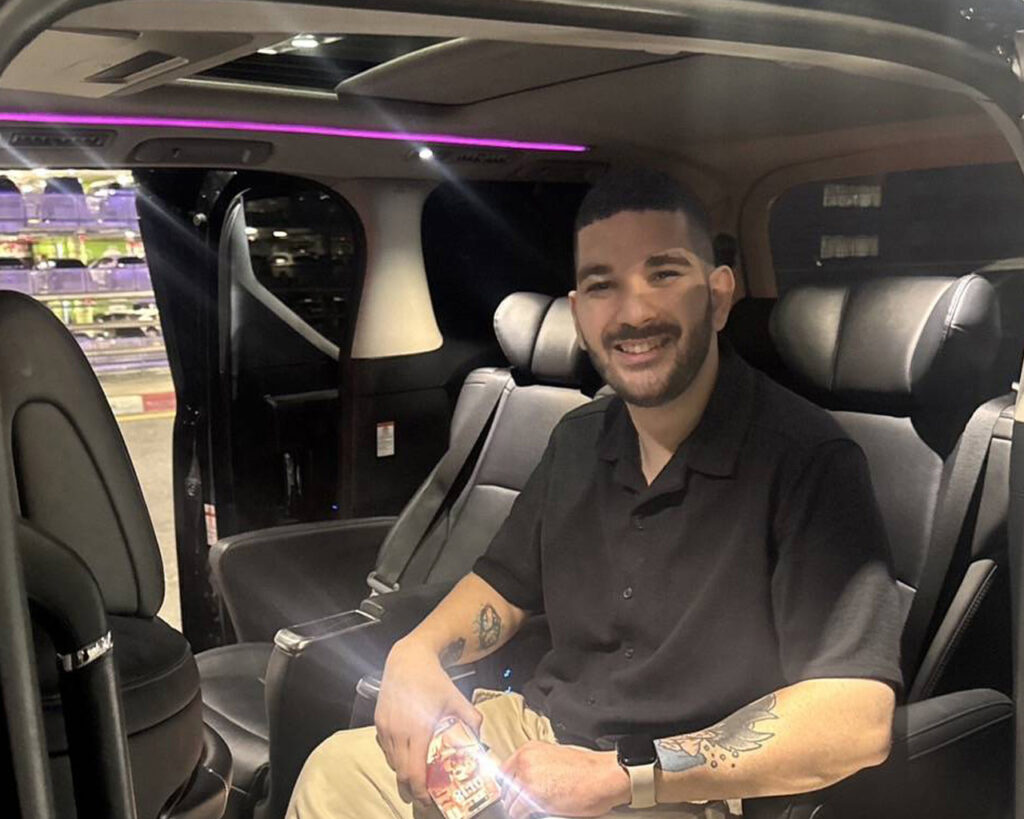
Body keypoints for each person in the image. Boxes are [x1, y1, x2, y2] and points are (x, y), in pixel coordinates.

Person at [286, 168, 903, 819]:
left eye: (664, 273)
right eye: (604, 285)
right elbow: (501, 586)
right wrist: (416, 651)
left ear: (719, 297)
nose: (633, 313)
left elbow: (857, 718)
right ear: (580, 315)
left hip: (685, 785)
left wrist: (620, 776)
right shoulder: (577, 439)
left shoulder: (807, 459)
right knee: (336, 773)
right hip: (540, 734)